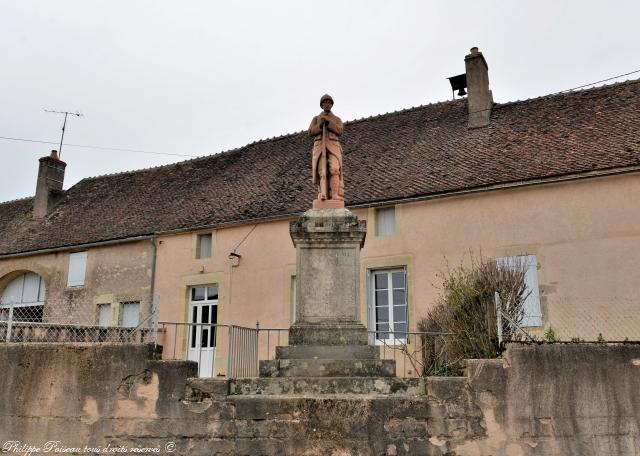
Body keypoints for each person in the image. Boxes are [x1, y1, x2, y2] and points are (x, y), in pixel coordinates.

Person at [308, 94, 345, 202]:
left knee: (334, 169)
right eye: (325, 103)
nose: (327, 104)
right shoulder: (316, 118)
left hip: (333, 145)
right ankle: (322, 193)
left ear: (332, 105)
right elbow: (310, 132)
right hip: (320, 145)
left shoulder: (337, 119)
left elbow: (339, 130)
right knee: (322, 172)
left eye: (329, 102)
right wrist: (320, 125)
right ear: (322, 105)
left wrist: (328, 123)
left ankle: (334, 195)